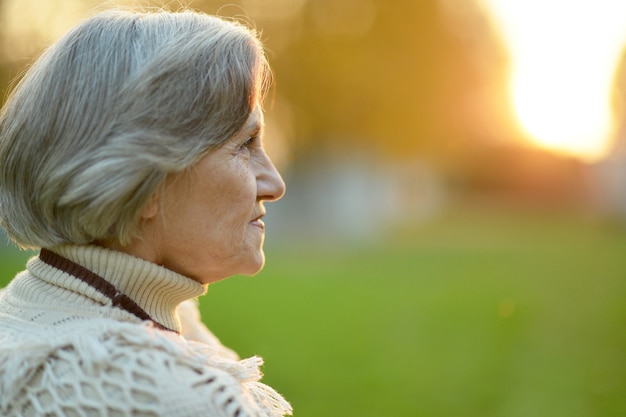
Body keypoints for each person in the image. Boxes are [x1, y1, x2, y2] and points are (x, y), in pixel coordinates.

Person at [0, 8, 291, 417]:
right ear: (145, 181)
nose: (274, 184)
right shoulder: (160, 391)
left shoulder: (25, 316)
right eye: (245, 144)